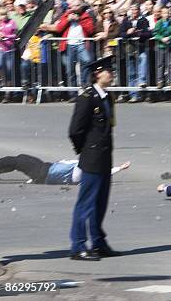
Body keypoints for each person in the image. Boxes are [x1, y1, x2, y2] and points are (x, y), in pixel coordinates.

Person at [68, 56, 118, 261]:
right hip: (92, 157)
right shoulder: (87, 98)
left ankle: (98, 242)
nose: (112, 74)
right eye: (109, 71)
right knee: (85, 204)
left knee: (100, 203)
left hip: (105, 157)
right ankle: (78, 245)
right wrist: (86, 152)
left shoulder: (107, 97)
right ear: (98, 73)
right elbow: (75, 130)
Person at [0, 154, 130, 184]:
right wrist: (119, 168)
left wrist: (117, 169)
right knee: (19, 159)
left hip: (42, 172)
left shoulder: (80, 173)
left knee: (15, 161)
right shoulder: (83, 171)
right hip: (45, 167)